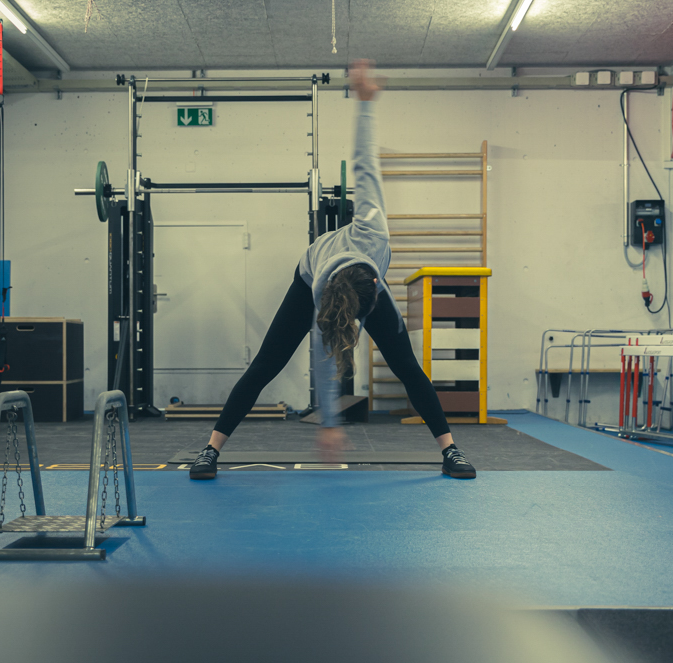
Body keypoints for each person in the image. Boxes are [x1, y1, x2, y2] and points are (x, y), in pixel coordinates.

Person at [189, 60, 476, 481]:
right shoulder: (322, 296)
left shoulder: (372, 230)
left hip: (355, 276)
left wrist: (365, 104)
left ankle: (450, 450)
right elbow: (323, 360)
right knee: (265, 365)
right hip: (311, 275)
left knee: (406, 366)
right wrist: (329, 423)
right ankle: (210, 450)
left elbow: (364, 165)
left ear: (377, 287)